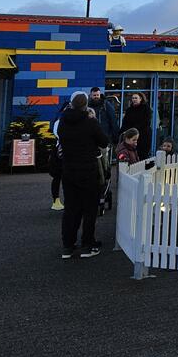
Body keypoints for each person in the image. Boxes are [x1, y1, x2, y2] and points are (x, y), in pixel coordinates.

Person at [57, 91, 110, 258]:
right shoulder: (90, 123)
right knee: (89, 209)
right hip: (88, 170)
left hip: (69, 170)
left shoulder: (62, 122)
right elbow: (104, 141)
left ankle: (68, 245)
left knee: (71, 209)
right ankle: (87, 244)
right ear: (86, 105)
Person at [119, 92, 153, 158]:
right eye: (133, 98)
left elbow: (146, 122)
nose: (134, 99)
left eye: (136, 98)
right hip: (131, 136)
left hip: (143, 136)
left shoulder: (146, 109)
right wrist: (121, 132)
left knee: (142, 155)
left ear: (140, 99)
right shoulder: (129, 110)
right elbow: (125, 122)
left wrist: (134, 130)